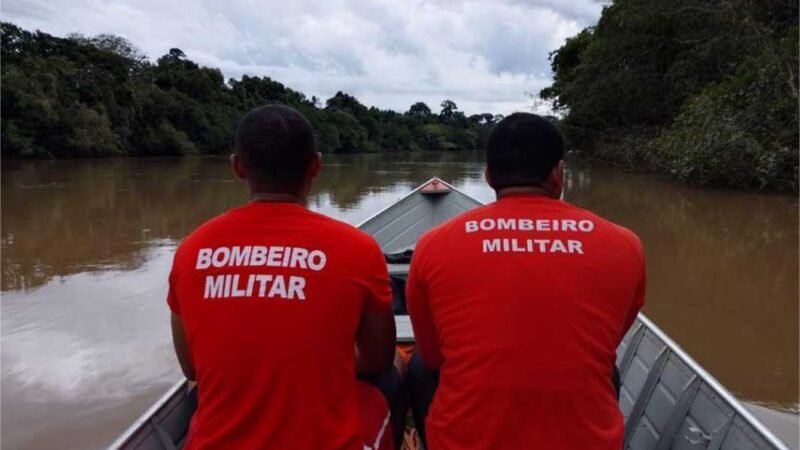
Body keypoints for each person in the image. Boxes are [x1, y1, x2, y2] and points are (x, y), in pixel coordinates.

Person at [406, 113, 646, 450]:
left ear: (489, 176)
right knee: (606, 368)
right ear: (558, 174)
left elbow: (433, 356)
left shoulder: (432, 245)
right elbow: (610, 340)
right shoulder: (625, 245)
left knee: (418, 363)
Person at [168, 104, 399, 449]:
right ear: (316, 165)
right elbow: (378, 358)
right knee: (393, 373)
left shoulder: (191, 250)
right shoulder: (358, 249)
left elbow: (192, 369)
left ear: (237, 167)